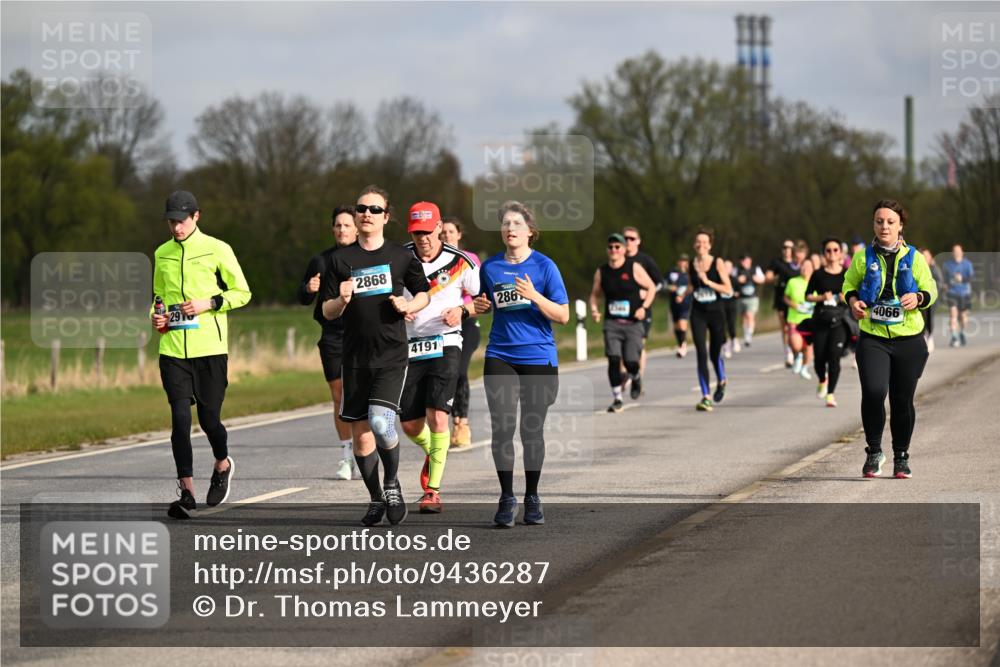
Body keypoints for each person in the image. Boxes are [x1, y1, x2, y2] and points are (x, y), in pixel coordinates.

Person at [321, 185, 430, 526]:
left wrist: (408, 304)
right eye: (361, 208)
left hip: (391, 354)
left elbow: (424, 292)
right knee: (362, 433)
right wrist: (341, 300)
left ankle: (392, 483)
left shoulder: (400, 256)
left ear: (386, 216)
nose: (366, 213)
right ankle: (375, 498)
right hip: (354, 358)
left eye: (374, 209)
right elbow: (326, 311)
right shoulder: (340, 261)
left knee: (382, 423)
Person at [152, 191, 251, 519]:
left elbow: (242, 292)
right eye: (171, 221)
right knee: (180, 418)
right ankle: (187, 491)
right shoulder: (162, 253)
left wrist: (208, 302)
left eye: (181, 221)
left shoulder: (217, 249)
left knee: (209, 420)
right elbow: (158, 297)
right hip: (173, 350)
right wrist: (157, 316)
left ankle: (222, 463)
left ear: (196, 217)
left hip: (210, 349)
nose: (176, 227)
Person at [473, 201, 569, 527]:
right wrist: (480, 305)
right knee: (502, 428)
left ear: (530, 231)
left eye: (517, 223)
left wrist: (535, 296)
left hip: (538, 357)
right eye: (505, 224)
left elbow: (564, 315)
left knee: (531, 430)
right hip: (500, 354)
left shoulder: (545, 267)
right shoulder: (490, 268)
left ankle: (532, 496)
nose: (510, 229)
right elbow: (482, 304)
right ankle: (506, 497)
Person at [843, 199, 937, 479]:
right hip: (873, 336)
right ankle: (874, 451)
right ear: (874, 224)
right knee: (873, 391)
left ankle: (901, 455)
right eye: (879, 221)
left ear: (900, 225)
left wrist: (918, 297)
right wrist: (853, 301)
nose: (884, 226)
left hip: (908, 338)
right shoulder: (862, 256)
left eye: (890, 222)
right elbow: (848, 284)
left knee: (902, 399)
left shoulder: (915, 257)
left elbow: (931, 289)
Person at [400, 202, 480, 514]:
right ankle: (436, 451)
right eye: (416, 233)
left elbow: (482, 301)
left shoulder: (460, 262)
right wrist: (397, 312)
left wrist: (461, 310)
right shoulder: (400, 256)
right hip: (410, 345)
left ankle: (432, 491)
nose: (423, 239)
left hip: (446, 342)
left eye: (427, 232)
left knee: (437, 415)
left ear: (439, 228)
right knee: (408, 423)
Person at [298, 205, 359, 480]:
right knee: (340, 397)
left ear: (357, 228)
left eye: (347, 225)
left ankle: (368, 449)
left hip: (364, 334)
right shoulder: (320, 261)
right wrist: (308, 289)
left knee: (365, 395)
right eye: (338, 225)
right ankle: (347, 456)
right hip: (333, 336)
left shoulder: (366, 257)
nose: (342, 230)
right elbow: (302, 296)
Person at [590, 233, 657, 412]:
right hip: (611, 323)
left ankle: (635, 376)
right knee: (613, 359)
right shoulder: (602, 271)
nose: (614, 250)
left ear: (624, 250)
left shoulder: (633, 267)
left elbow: (651, 287)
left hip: (633, 323)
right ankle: (617, 398)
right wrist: (594, 310)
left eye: (617, 247)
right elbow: (594, 294)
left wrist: (644, 307)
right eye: (611, 247)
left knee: (630, 361)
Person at [440, 217, 481, 448]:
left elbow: (478, 295)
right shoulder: (435, 261)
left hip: (466, 323)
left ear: (459, 235)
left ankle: (462, 424)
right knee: (445, 373)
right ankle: (445, 423)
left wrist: (461, 308)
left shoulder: (469, 259)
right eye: (443, 232)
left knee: (460, 370)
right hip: (442, 325)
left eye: (450, 232)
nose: (446, 236)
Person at [688, 229, 733, 412]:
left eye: (705, 242)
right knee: (701, 352)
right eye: (698, 242)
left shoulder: (717, 263)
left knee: (715, 353)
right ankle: (705, 396)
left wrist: (709, 283)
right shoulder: (692, 264)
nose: (701, 245)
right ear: (694, 244)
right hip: (698, 313)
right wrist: (684, 292)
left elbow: (728, 288)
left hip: (716, 313)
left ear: (710, 245)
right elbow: (693, 285)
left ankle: (722, 380)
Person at [806, 238, 849, 407]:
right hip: (821, 319)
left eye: (835, 250)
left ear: (841, 253)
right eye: (828, 250)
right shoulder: (818, 274)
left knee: (834, 357)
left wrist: (846, 298)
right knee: (819, 359)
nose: (832, 253)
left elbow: (856, 294)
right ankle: (822, 379)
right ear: (824, 254)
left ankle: (830, 394)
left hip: (840, 320)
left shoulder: (847, 273)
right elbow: (807, 296)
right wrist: (822, 297)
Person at [623, 227, 663, 386]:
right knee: (623, 345)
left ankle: (637, 378)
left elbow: (660, 283)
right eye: (625, 238)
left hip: (642, 308)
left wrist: (646, 294)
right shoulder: (618, 258)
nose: (628, 242)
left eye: (632, 238)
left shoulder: (645, 260)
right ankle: (628, 373)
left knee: (639, 343)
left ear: (638, 241)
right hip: (623, 309)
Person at [766, 240, 800, 367]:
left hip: (796, 299)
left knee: (795, 326)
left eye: (790, 247)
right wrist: (775, 277)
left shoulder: (797, 263)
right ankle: (788, 353)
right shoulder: (777, 262)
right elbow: (768, 276)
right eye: (784, 247)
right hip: (781, 298)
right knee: (785, 327)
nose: (787, 250)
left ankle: (797, 349)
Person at [784, 257, 815, 380]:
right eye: (803, 266)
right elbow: (785, 297)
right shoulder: (793, 282)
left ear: (812, 269)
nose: (805, 269)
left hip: (810, 320)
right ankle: (797, 356)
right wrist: (794, 305)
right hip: (795, 319)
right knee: (796, 345)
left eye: (808, 267)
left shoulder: (816, 282)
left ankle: (804, 367)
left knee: (808, 348)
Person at [942, 244, 974, 347]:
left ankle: (962, 332)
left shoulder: (967, 264)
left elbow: (971, 278)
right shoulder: (947, 264)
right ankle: (954, 337)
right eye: (955, 251)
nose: (957, 253)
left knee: (963, 316)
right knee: (953, 315)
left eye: (958, 251)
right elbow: (944, 278)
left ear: (962, 252)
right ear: (952, 253)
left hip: (964, 293)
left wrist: (962, 279)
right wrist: (945, 285)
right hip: (952, 293)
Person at [734, 254, 765, 347]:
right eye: (743, 261)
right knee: (744, 317)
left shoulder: (756, 269)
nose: (745, 263)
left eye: (747, 260)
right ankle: (746, 334)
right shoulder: (737, 269)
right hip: (741, 297)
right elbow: (731, 279)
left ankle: (749, 336)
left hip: (752, 297)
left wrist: (756, 279)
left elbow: (763, 279)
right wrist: (737, 280)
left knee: (750, 315)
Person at [665, 254, 692, 357]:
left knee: (682, 323)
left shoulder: (690, 274)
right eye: (681, 261)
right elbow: (665, 284)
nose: (682, 263)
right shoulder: (673, 273)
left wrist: (683, 295)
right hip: (674, 302)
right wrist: (671, 287)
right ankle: (680, 344)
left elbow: (692, 287)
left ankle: (683, 345)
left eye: (685, 261)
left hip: (685, 303)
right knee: (676, 326)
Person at [920, 249, 942, 353]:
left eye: (926, 256)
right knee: (922, 318)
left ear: (930, 257)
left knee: (929, 318)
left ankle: (930, 337)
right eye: (923, 256)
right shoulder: (919, 268)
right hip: (922, 298)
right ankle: (924, 337)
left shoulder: (934, 268)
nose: (925, 258)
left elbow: (939, 282)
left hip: (932, 299)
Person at [720, 259, 740, 358]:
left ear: (731, 269)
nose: (727, 269)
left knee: (731, 323)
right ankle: (725, 345)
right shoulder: (719, 279)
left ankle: (734, 339)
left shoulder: (734, 279)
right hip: (721, 304)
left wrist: (736, 294)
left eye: (729, 267)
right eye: (725, 267)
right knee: (722, 325)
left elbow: (739, 291)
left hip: (731, 304)